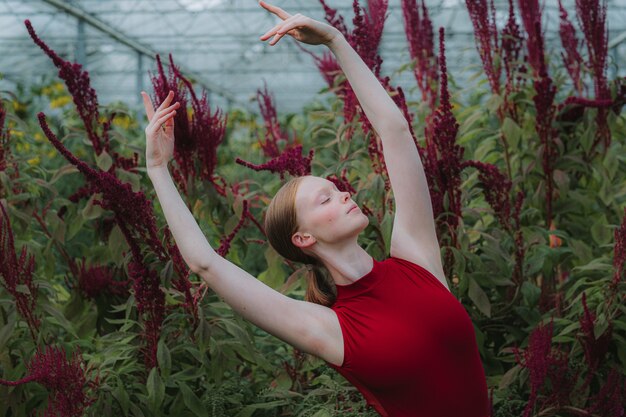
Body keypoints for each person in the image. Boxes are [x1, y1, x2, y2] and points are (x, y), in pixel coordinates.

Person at [141, 1, 489, 416]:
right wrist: (158, 168)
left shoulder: (416, 259)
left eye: (336, 188)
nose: (343, 193)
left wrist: (336, 41)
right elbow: (205, 265)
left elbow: (394, 132)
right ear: (303, 238)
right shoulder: (330, 330)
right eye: (325, 198)